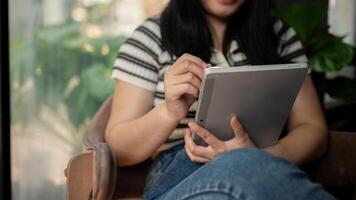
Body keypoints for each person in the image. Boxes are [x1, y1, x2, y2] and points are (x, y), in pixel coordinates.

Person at [105, 0, 335, 199]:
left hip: (266, 165)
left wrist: (259, 156)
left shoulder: (280, 35)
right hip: (180, 172)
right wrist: (169, 111)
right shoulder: (150, 38)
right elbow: (119, 149)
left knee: (245, 169)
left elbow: (312, 128)